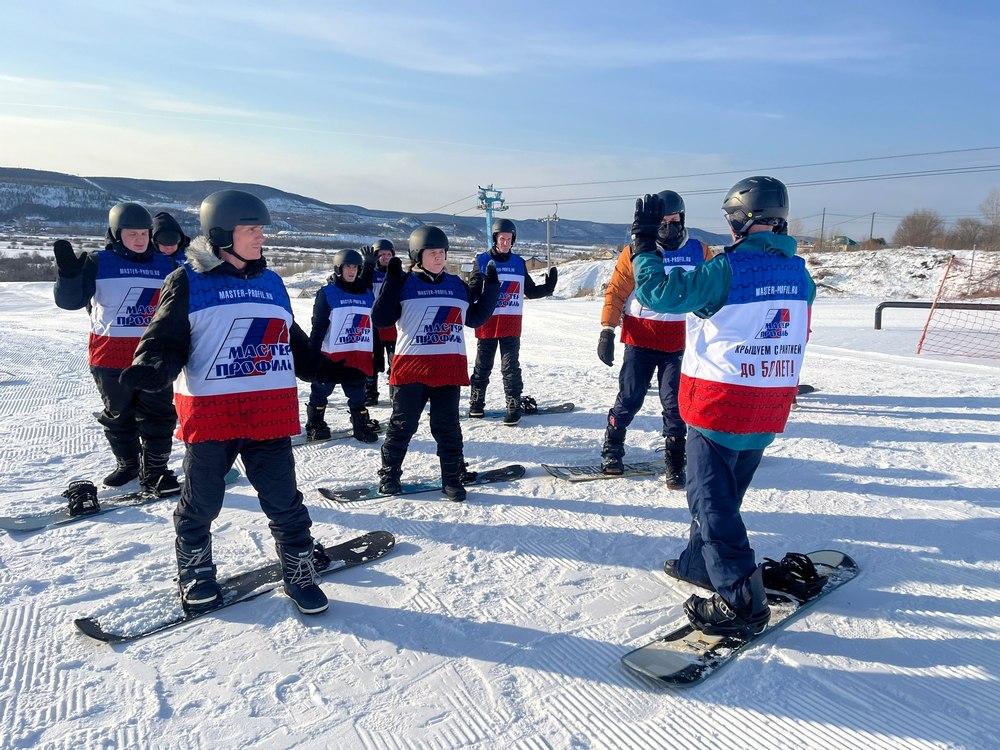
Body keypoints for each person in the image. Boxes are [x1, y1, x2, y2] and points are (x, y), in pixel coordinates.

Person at [120, 189, 350, 615]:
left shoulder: (272, 283)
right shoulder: (187, 281)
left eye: (261, 229)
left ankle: (298, 570)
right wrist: (152, 367)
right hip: (213, 416)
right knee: (202, 501)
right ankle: (195, 571)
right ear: (223, 234)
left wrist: (327, 368)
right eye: (251, 229)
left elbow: (291, 341)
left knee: (285, 501)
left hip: (269, 413)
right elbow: (165, 341)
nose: (261, 236)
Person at [631, 176, 815, 638]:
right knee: (725, 496)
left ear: (742, 220)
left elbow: (658, 294)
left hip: (720, 405)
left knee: (711, 503)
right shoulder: (800, 273)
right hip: (767, 403)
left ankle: (740, 601)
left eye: (731, 217)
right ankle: (700, 563)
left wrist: (644, 246)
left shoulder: (726, 269)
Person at [53, 202, 180, 495]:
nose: (139, 239)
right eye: (131, 233)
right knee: (118, 415)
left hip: (153, 358)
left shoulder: (167, 265)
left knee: (158, 416)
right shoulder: (99, 262)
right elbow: (70, 302)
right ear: (115, 234)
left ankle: (156, 470)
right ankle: (129, 465)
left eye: (144, 233)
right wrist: (69, 277)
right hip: (110, 356)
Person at [371, 226, 500, 501]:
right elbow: (381, 319)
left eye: (442, 252)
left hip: (448, 369)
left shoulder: (456, 284)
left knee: (448, 428)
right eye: (432, 253)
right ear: (417, 255)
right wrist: (391, 282)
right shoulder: (404, 283)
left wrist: (492, 288)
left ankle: (452, 479)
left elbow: (475, 318)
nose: (439, 257)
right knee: (402, 426)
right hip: (412, 368)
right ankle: (389, 475)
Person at [597, 190, 712, 487]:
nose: (669, 227)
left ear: (683, 220)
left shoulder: (700, 251)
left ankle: (675, 459)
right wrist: (607, 330)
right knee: (630, 396)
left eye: (674, 221)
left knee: (675, 403)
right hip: (641, 337)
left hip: (680, 342)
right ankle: (613, 446)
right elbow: (616, 292)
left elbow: (712, 291)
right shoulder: (635, 251)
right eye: (663, 222)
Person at [468, 218, 558, 425]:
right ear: (495, 239)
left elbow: (530, 290)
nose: (505, 243)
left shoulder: (518, 263)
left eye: (509, 239)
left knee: (510, 368)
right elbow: (473, 292)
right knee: (483, 366)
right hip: (487, 322)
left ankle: (513, 405)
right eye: (502, 239)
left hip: (510, 323)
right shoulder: (482, 260)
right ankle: (476, 403)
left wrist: (547, 288)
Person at [304, 248, 380, 443]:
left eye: (355, 267)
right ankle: (315, 424)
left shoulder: (367, 294)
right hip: (331, 356)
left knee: (357, 393)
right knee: (321, 391)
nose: (352, 271)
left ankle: (360, 424)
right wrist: (312, 356)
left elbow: (373, 326)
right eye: (348, 267)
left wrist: (377, 354)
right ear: (339, 269)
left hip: (357, 355)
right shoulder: (328, 293)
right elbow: (318, 327)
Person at [364, 239, 398, 406]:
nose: (385, 257)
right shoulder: (370, 273)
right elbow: (362, 285)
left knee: (395, 359)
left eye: (388, 254)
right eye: (381, 254)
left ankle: (396, 391)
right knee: (372, 361)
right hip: (372, 325)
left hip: (392, 324)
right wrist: (368, 265)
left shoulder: (396, 274)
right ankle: (370, 392)